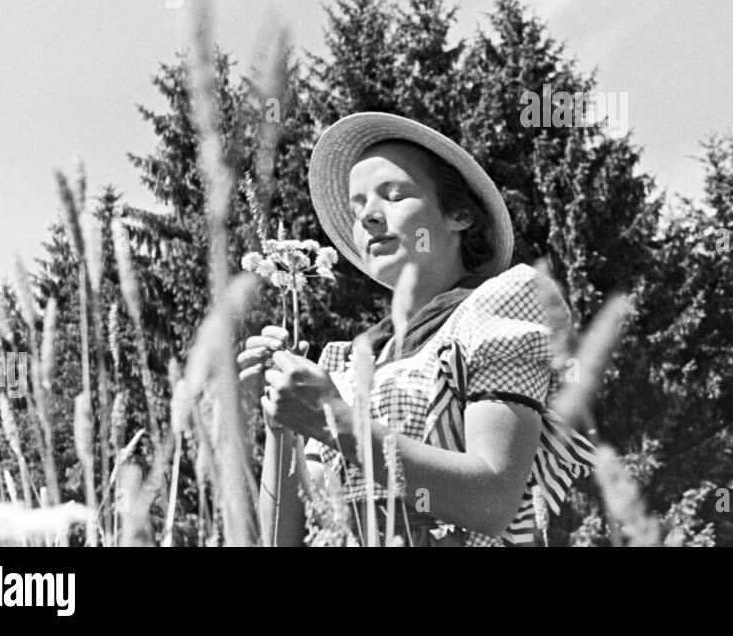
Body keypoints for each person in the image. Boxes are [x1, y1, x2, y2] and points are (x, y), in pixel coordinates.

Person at [238, 112, 595, 546]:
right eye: (357, 207)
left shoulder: (499, 308)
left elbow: (492, 500)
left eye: (394, 195)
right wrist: (284, 422)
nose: (368, 216)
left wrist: (335, 421)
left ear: (460, 215)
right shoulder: (346, 365)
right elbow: (281, 541)